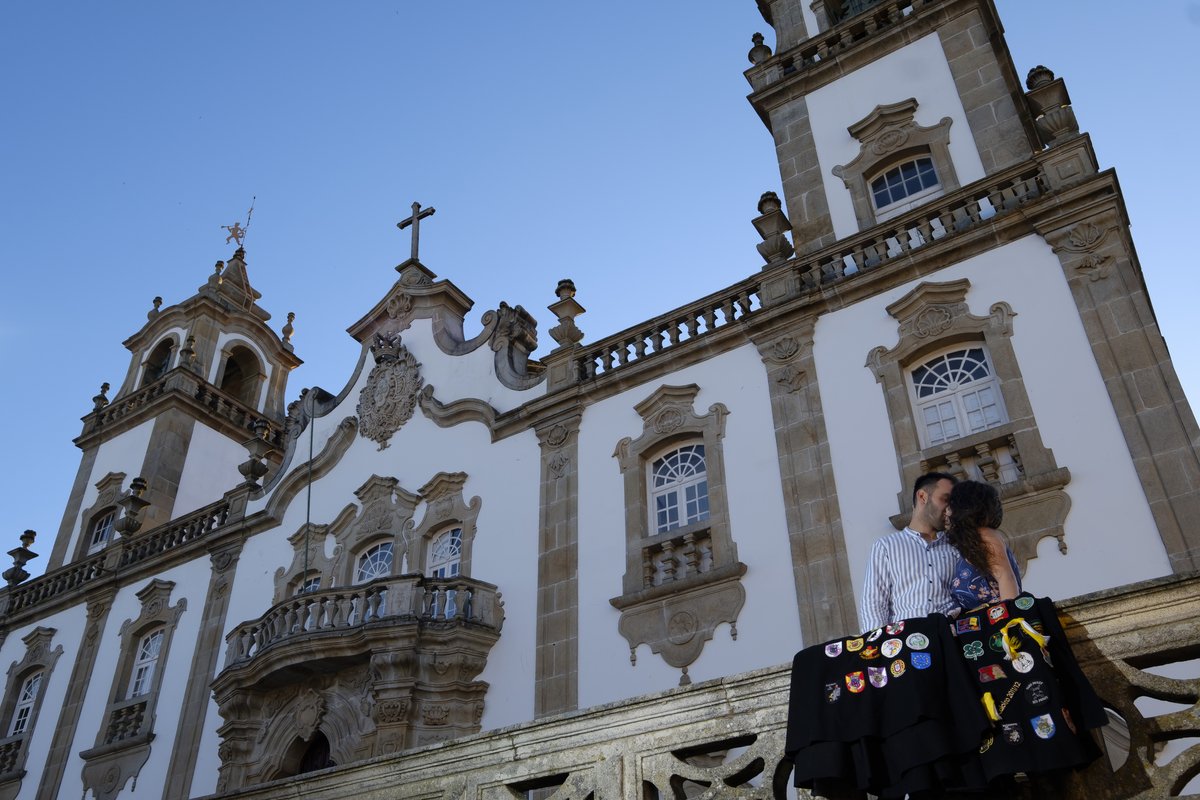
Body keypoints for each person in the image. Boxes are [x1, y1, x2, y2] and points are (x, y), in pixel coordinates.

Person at [859, 472, 960, 633]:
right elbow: (874, 604)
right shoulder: (886, 546)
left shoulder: (956, 546)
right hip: (905, 643)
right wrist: (878, 650)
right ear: (922, 496)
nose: (949, 509)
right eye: (945, 500)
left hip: (951, 639)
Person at [944, 479, 1021, 610]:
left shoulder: (984, 535)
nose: (946, 510)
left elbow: (1006, 578)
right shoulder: (970, 541)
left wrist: (1010, 620)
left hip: (998, 623)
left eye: (950, 504)